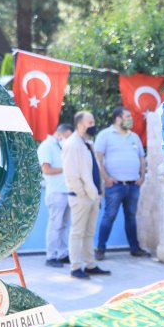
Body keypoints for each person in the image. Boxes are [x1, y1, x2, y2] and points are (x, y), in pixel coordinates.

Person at [94, 106, 149, 260]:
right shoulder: (105, 135)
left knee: (131, 217)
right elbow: (98, 157)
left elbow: (142, 158)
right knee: (109, 216)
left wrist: (142, 176)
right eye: (127, 117)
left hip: (133, 185)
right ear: (118, 118)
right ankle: (100, 249)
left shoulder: (134, 137)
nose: (130, 119)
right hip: (115, 185)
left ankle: (135, 248)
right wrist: (106, 178)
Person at [62, 111, 110, 279]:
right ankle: (75, 267)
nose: (93, 125)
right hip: (81, 197)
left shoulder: (87, 143)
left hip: (93, 196)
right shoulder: (72, 144)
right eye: (90, 122)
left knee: (89, 233)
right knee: (77, 232)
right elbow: (71, 173)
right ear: (80, 124)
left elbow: (93, 170)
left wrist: (97, 193)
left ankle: (90, 265)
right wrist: (81, 192)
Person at [38, 122, 74, 267]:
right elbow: (46, 169)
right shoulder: (47, 146)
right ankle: (51, 256)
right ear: (60, 133)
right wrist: (67, 168)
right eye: (68, 136)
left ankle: (63, 253)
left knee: (65, 225)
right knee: (55, 224)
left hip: (68, 190)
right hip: (56, 192)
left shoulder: (63, 146)